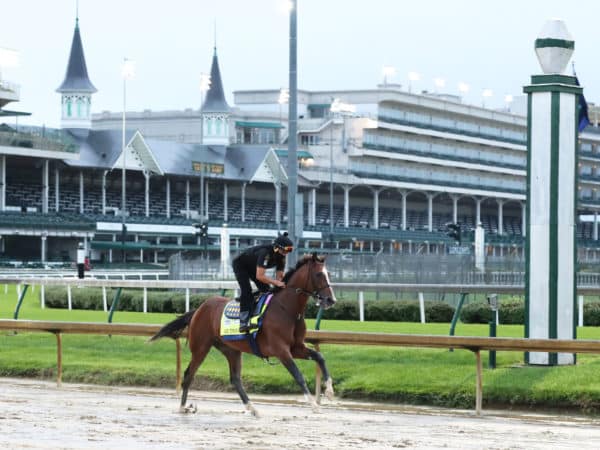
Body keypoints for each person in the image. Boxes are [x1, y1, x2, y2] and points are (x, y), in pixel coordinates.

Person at [232, 232, 294, 332]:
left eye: (290, 250)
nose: (288, 252)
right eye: (287, 249)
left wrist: (282, 285)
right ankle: (243, 322)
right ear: (278, 247)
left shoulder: (282, 257)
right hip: (241, 265)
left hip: (253, 267)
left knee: (267, 290)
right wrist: (276, 283)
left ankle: (255, 309)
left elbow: (279, 277)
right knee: (246, 290)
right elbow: (260, 276)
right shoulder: (265, 253)